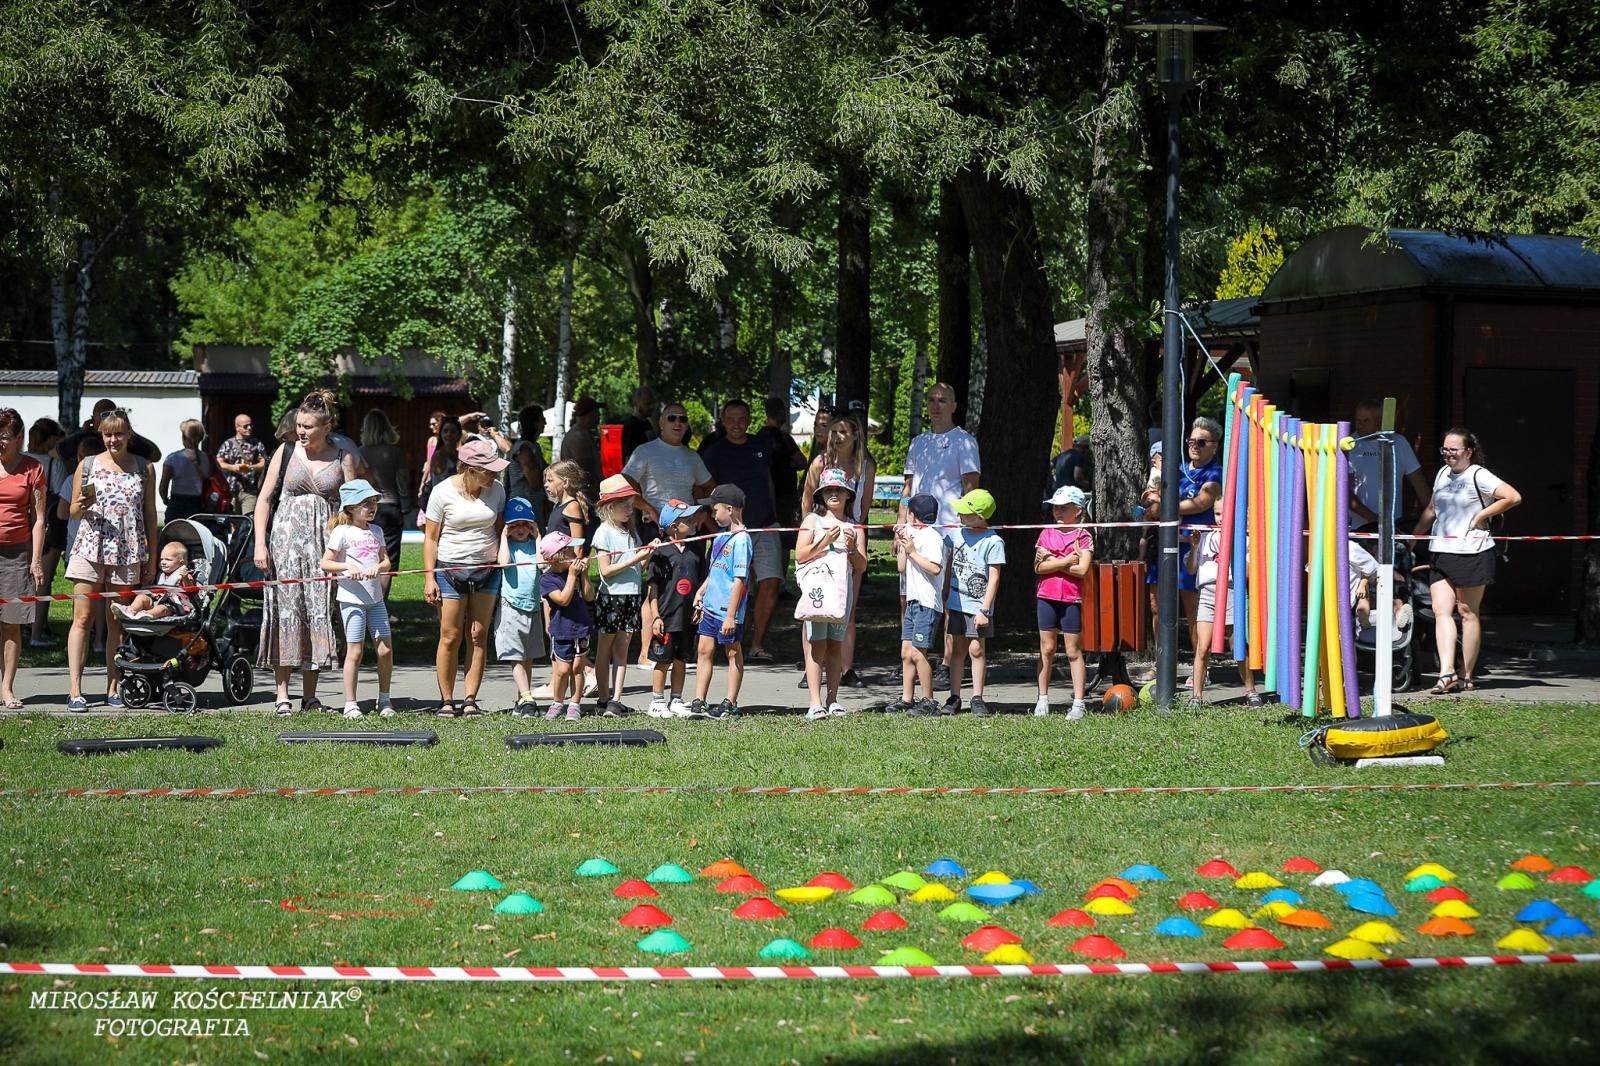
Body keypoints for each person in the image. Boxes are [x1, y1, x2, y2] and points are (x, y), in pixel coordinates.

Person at [254, 391, 359, 716]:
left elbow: (353, 506)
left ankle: (310, 696)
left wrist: (355, 548)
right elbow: (264, 499)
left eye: (308, 426)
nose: (301, 431)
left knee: (317, 612)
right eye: (299, 424)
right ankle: (282, 694)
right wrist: (260, 542)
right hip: (285, 545)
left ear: (327, 426)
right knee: (285, 612)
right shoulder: (285, 451)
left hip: (324, 547)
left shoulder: (343, 458)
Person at [1412, 428, 1522, 695]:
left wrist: (1480, 515)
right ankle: (1446, 673)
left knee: (1466, 613)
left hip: (1472, 552)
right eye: (1445, 449)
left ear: (1468, 451)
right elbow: (1432, 508)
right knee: (1441, 610)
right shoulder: (1442, 474)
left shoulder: (1478, 475)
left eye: (1454, 450)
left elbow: (1513, 497)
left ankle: (1467, 675)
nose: (1448, 454)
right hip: (1440, 550)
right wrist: (1414, 536)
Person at [65, 408, 158, 711]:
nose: (113, 439)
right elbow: (73, 513)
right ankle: (75, 690)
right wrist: (79, 503)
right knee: (82, 618)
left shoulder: (144, 467)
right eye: (107, 434)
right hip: (90, 547)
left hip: (128, 549)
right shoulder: (88, 464)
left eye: (118, 433)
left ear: (129, 434)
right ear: (101, 435)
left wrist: (151, 557)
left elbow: (150, 515)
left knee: (116, 622)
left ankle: (113, 688)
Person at [623, 402, 716, 659]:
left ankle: (679, 651)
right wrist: (649, 509)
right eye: (672, 418)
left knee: (685, 585)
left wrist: (701, 512)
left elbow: (709, 487)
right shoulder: (645, 451)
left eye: (683, 419)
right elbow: (625, 484)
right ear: (661, 423)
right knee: (655, 585)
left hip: (686, 529)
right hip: (656, 526)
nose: (678, 423)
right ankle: (645, 652)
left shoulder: (691, 456)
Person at [902, 383, 981, 686]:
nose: (935, 405)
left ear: (954, 405)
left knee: (948, 597)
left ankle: (947, 663)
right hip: (916, 531)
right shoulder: (918, 442)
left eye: (942, 400)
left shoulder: (965, 442)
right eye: (932, 400)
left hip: (950, 530)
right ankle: (913, 654)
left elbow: (971, 487)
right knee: (914, 596)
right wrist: (901, 525)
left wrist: (968, 528)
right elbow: (908, 488)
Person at [423, 438, 508, 717]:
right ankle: (446, 700)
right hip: (450, 569)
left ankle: (470, 699)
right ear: (470, 468)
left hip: (487, 570)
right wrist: (429, 577)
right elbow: (431, 539)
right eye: (489, 470)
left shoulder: (496, 491)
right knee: (450, 635)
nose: (494, 474)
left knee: (479, 635)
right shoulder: (441, 492)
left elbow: (499, 530)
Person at [700, 399, 784, 661]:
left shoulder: (761, 446)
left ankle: (756, 645)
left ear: (749, 420)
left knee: (771, 582)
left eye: (742, 418)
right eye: (731, 419)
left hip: (766, 525)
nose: (736, 424)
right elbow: (703, 492)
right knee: (728, 585)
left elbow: (768, 480)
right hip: (730, 534)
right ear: (723, 421)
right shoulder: (713, 453)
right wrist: (716, 529)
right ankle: (717, 640)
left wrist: (775, 513)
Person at [799, 409, 877, 686]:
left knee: (847, 606)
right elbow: (808, 498)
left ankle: (846, 668)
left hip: (849, 532)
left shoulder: (864, 465)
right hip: (820, 530)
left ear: (855, 434)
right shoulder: (821, 462)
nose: (838, 436)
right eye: (834, 431)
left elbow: (864, 506)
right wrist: (812, 527)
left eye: (844, 431)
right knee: (813, 604)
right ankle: (812, 666)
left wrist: (853, 531)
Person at [1140, 417, 1223, 655]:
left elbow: (1203, 502)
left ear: (1214, 445)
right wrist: (1153, 499)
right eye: (1190, 441)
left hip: (1193, 548)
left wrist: (1164, 505)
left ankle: (1199, 668)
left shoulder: (1215, 472)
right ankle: (1162, 663)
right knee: (1157, 606)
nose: (1194, 445)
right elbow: (1148, 493)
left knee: (1193, 609)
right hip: (1166, 544)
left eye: (1201, 441)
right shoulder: (1177, 469)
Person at [796, 468, 869, 720]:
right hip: (818, 591)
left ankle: (833, 699)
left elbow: (861, 566)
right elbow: (800, 555)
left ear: (848, 495)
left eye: (839, 489)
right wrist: (824, 541)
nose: (834, 494)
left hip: (841, 591)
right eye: (829, 490)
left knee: (836, 646)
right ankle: (814, 703)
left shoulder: (854, 527)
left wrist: (852, 550)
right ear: (821, 495)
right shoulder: (812, 522)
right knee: (817, 645)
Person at [320, 479, 394, 720]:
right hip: (352, 600)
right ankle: (350, 703)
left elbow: (385, 561)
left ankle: (384, 699)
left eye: (374, 502)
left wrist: (379, 568)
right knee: (355, 651)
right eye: (366, 503)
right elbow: (325, 563)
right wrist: (347, 567)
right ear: (350, 507)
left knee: (385, 650)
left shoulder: (377, 531)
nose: (372, 507)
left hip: (375, 599)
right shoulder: (341, 532)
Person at [1185, 502, 1261, 707]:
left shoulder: (1241, 539)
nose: (1220, 518)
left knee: (1236, 645)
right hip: (1207, 594)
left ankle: (1250, 690)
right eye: (1217, 513)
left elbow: (1247, 572)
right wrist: (1193, 547)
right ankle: (1196, 696)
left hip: (1231, 593)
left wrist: (1236, 550)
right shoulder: (1205, 537)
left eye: (1224, 514)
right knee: (1202, 647)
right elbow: (1191, 569)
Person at [592, 475, 653, 716]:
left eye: (631, 505)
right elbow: (605, 570)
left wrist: (647, 553)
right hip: (611, 598)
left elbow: (641, 568)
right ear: (609, 507)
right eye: (624, 505)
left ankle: (617, 698)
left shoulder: (631, 533)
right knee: (605, 648)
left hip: (631, 596)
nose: (630, 510)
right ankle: (604, 698)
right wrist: (636, 558)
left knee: (623, 648)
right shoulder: (604, 532)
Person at [688, 485, 750, 720]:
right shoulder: (721, 536)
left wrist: (731, 615)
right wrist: (701, 592)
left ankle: (731, 703)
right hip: (711, 607)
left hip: (727, 610)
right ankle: (699, 700)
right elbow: (715, 570)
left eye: (715, 510)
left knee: (733, 652)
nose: (713, 515)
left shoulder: (742, 541)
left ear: (730, 509)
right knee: (704, 649)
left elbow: (739, 581)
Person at [0, 409, 48, 709]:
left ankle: (6, 688)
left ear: (19, 438)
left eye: (5, 437)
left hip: (16, 554)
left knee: (10, 623)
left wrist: (36, 560)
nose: (0, 442)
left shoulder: (34, 468)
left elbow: (39, 518)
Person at [1034, 486, 1095, 719]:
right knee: (1047, 648)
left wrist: (1054, 559)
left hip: (1073, 598)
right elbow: (1039, 567)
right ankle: (1042, 699)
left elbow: (1082, 570)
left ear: (1078, 510)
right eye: (1055, 507)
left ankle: (1079, 703)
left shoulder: (1084, 535)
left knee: (1073, 650)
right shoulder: (1046, 533)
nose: (1057, 511)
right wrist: (1066, 560)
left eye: (1063, 507)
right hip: (1046, 596)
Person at [945, 488, 1004, 717]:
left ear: (980, 516)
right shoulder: (957, 534)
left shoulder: (993, 541)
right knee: (956, 650)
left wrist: (985, 610)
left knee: (976, 649)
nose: (960, 516)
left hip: (978, 606)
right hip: (956, 603)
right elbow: (947, 558)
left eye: (965, 513)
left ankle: (977, 697)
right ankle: (954, 696)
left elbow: (995, 577)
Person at [644, 501, 704, 719]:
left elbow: (702, 580)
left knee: (682, 659)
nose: (693, 523)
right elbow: (653, 588)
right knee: (663, 660)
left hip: (687, 615)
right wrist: (656, 617)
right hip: (666, 615)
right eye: (687, 520)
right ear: (673, 527)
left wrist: (700, 604)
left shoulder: (697, 548)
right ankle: (657, 700)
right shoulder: (661, 552)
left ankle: (676, 699)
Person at [893, 493, 948, 717]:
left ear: (913, 515)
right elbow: (901, 568)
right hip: (914, 601)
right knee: (906, 652)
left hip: (927, 603)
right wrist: (902, 543)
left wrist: (913, 552)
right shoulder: (913, 534)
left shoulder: (933, 538)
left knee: (918, 653)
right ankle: (907, 698)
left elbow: (935, 568)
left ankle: (929, 700)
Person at [497, 497, 547, 715]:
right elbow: (504, 563)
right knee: (515, 654)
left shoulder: (532, 545)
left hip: (532, 606)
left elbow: (543, 564)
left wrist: (538, 537)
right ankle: (527, 698)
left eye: (525, 524)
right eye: (514, 525)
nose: (520, 529)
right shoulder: (509, 547)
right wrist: (502, 537)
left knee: (528, 656)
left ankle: (522, 698)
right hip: (511, 606)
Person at [1348, 399, 1431, 529]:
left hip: (1393, 526)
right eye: (1358, 420)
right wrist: (1373, 520)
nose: (1360, 425)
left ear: (1380, 422)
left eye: (1366, 421)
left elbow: (1419, 484)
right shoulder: (1349, 445)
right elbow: (1344, 491)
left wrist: (1433, 517)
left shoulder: (1399, 443)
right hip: (1357, 528)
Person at [538, 530, 592, 722]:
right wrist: (571, 576)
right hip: (561, 630)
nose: (574, 554)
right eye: (569, 551)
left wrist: (583, 574)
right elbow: (562, 600)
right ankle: (558, 702)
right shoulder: (547, 579)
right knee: (562, 670)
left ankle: (575, 704)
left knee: (578, 667)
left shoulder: (576, 573)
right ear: (557, 558)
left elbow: (589, 596)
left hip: (581, 628)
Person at [358, 409, 411, 601]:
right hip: (390, 507)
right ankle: (381, 607)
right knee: (387, 560)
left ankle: (366, 603)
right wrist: (407, 501)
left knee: (365, 556)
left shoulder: (360, 452)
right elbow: (403, 484)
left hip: (366, 509)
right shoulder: (395, 452)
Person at [23, 417, 66, 647]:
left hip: (21, 525)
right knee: (43, 581)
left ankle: (20, 627)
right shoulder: (52, 464)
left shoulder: (22, 461)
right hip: (48, 527)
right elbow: (58, 493)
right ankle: (37, 633)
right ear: (51, 439)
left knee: (20, 579)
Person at [57, 398, 161, 466]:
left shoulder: (126, 440)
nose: (107, 419)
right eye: (103, 415)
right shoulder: (85, 437)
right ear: (93, 420)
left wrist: (128, 431)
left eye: (111, 415)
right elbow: (58, 451)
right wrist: (81, 433)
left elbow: (155, 455)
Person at [108, 541, 194, 621]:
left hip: (173, 605)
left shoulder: (183, 575)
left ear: (181, 563)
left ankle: (147, 615)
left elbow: (191, 590)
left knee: (162, 608)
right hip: (156, 599)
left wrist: (185, 578)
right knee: (141, 597)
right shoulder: (160, 574)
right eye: (161, 559)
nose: (163, 562)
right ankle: (130, 610)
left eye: (168, 560)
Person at [159, 418, 212, 522]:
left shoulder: (173, 458)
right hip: (199, 505)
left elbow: (163, 486)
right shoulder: (208, 459)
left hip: (177, 503)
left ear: (184, 437)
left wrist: (166, 499)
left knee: (173, 535)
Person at [216, 413, 266, 518]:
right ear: (237, 427)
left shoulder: (256, 443)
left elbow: (264, 462)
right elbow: (219, 462)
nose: (249, 428)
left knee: (249, 520)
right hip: (232, 490)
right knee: (234, 521)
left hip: (250, 491)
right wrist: (233, 467)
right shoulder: (228, 444)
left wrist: (251, 467)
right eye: (245, 426)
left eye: (251, 425)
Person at [506, 404, 549, 528]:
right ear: (534, 423)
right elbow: (534, 480)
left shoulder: (532, 446)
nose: (545, 423)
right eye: (542, 419)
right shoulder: (524, 448)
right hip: (523, 505)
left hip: (532, 502)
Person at [417, 416, 462, 524]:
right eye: (445, 431)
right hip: (442, 506)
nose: (449, 435)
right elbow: (438, 485)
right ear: (441, 434)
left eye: (453, 431)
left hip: (458, 504)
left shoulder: (460, 456)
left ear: (459, 434)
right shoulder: (439, 456)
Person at [558, 395, 604, 499]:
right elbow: (585, 471)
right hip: (583, 496)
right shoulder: (578, 437)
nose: (599, 415)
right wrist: (596, 494)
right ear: (589, 414)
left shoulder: (582, 434)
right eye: (597, 412)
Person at [621, 386, 657, 463]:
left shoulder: (647, 423)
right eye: (647, 404)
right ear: (636, 403)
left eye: (653, 403)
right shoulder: (631, 426)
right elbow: (630, 457)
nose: (651, 407)